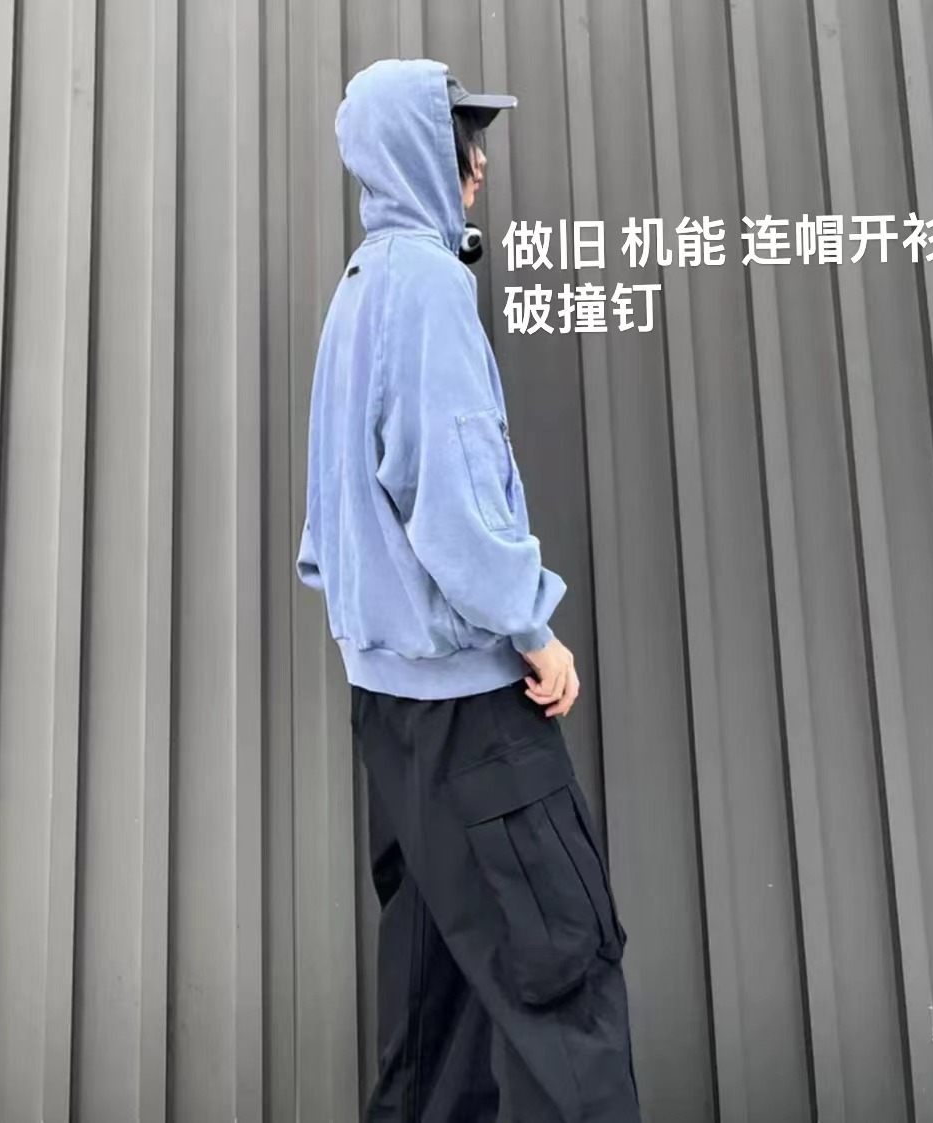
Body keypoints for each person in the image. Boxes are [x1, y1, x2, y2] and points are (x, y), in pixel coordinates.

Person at [296, 57, 641, 1122]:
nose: (478, 163)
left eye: (479, 140)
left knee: (437, 1009)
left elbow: (327, 524)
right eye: (458, 140)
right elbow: (451, 497)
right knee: (562, 979)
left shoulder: (357, 293)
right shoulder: (429, 288)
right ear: (414, 153)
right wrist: (532, 628)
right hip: (471, 711)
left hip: (390, 712)